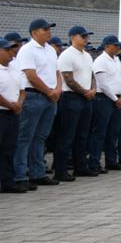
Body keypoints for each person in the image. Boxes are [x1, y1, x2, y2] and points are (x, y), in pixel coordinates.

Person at [13, 18, 62, 187]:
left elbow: (57, 72)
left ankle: (37, 173)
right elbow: (31, 75)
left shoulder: (50, 50)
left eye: (49, 29)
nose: (49, 32)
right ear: (34, 32)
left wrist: (57, 89)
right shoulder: (27, 50)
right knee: (25, 137)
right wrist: (49, 91)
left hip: (50, 97)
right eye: (45, 29)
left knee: (41, 137)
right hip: (34, 96)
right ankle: (20, 175)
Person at [55, 25, 96, 180]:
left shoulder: (87, 55)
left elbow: (91, 75)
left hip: (86, 97)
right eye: (83, 36)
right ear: (73, 37)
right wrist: (85, 91)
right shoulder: (67, 55)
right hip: (71, 97)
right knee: (67, 136)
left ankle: (81, 167)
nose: (86, 39)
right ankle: (61, 170)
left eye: (87, 36)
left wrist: (93, 89)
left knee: (82, 135)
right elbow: (68, 79)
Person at [88, 34, 121, 172]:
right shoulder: (100, 61)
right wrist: (115, 99)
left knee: (113, 132)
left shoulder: (116, 60)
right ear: (107, 46)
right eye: (115, 45)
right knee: (99, 132)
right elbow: (102, 84)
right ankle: (94, 162)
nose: (118, 48)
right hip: (103, 99)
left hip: (117, 98)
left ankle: (111, 160)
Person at [0, 38, 26, 193]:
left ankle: (7, 181)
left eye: (12, 49)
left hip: (13, 113)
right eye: (7, 50)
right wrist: (11, 105)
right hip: (2, 112)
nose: (11, 52)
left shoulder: (14, 69)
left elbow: (22, 90)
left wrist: (19, 104)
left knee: (9, 148)